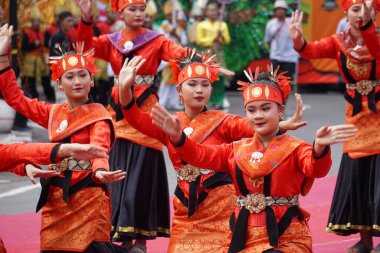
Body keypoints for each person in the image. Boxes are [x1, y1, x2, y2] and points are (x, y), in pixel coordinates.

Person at [150, 66, 357, 253]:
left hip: (286, 238)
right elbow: (199, 155)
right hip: (243, 238)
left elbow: (316, 169)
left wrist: (320, 148)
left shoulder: (295, 148)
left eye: (266, 109)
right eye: (252, 110)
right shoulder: (235, 150)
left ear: (281, 112)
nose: (258, 115)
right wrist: (178, 138)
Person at [116, 51, 307, 252]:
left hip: (221, 208)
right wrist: (124, 88)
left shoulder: (223, 121)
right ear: (179, 90)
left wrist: (282, 124)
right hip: (186, 209)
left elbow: (255, 125)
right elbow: (134, 117)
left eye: (205, 85)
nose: (199, 90)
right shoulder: (170, 123)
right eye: (193, 84)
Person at [74, 0, 214, 251]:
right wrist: (86, 19)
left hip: (145, 112)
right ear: (121, 12)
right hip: (117, 112)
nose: (139, 14)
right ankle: (122, 235)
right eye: (132, 9)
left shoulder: (156, 40)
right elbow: (84, 49)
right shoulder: (111, 40)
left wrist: (205, 65)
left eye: (141, 9)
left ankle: (139, 239)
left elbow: (182, 54)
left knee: (141, 174)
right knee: (114, 171)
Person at [0, 24, 127, 253]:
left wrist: (99, 171)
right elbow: (15, 98)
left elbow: (99, 148)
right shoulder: (53, 113)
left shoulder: (99, 115)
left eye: (82, 75)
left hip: (88, 195)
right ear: (59, 83)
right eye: (70, 77)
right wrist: (2, 58)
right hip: (56, 199)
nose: (77, 81)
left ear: (92, 81)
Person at [289, 1, 380, 252]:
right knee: (359, 180)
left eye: (365, 8)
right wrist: (298, 41)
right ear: (345, 13)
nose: (360, 14)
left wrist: (368, 25)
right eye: (354, 9)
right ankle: (364, 240)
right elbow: (311, 51)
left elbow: (374, 46)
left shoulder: (378, 40)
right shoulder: (338, 42)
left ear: (374, 13)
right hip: (356, 121)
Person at [196, 1, 231, 110]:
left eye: (215, 10)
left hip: (218, 53)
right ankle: (208, 100)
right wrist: (212, 39)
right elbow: (199, 40)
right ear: (206, 12)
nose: (214, 13)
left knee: (220, 77)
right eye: (211, 10)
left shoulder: (223, 25)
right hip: (207, 53)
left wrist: (221, 37)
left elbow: (227, 41)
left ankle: (219, 100)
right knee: (207, 77)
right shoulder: (201, 25)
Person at [21, 14, 56, 102]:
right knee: (31, 79)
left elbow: (47, 44)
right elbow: (23, 47)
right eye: (35, 21)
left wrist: (44, 43)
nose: (37, 23)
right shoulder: (27, 33)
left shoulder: (42, 33)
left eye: (38, 21)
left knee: (45, 78)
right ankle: (33, 97)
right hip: (31, 60)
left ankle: (49, 96)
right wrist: (34, 44)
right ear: (32, 23)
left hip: (41, 58)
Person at [264, 0, 298, 82]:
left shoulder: (291, 22)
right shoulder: (270, 24)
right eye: (278, 9)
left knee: (286, 81)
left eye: (282, 9)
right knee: (273, 80)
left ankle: (285, 95)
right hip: (275, 56)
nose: (280, 11)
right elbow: (268, 40)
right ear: (275, 11)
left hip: (289, 57)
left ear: (285, 10)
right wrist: (273, 50)